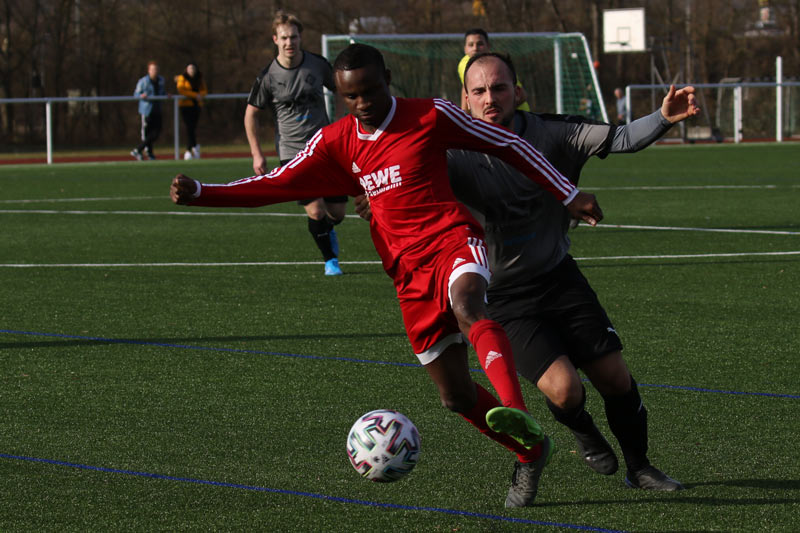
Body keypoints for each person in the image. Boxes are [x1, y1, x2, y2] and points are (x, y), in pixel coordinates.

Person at [171, 43, 605, 507]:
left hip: (453, 242)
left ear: (388, 79)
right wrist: (203, 192)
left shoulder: (430, 115)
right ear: (339, 95)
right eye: (350, 96)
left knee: (468, 304)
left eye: (370, 91)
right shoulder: (335, 141)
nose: (362, 103)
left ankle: (515, 410)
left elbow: (508, 143)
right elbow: (277, 182)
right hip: (407, 276)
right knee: (456, 397)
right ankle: (531, 450)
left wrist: (567, 193)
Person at [452, 53, 698, 491]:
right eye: (480, 91)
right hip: (504, 298)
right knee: (566, 391)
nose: (490, 98)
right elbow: (402, 178)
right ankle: (583, 430)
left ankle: (640, 468)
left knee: (615, 377)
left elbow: (622, 138)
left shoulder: (553, 132)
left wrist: (663, 117)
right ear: (465, 100)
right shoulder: (451, 153)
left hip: (558, 276)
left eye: (500, 88)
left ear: (518, 92)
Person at [245, 11, 345, 276]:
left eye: (294, 37)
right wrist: (257, 154)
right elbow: (250, 114)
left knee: (337, 212)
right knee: (315, 210)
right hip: (292, 151)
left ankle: (328, 229)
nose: (290, 42)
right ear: (275, 40)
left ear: (300, 38)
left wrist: (342, 123)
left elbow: (342, 90)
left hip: (325, 146)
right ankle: (330, 260)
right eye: (284, 38)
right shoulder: (268, 76)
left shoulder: (318, 65)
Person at [457, 29, 529, 112]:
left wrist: (497, 111)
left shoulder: (498, 64)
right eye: (470, 45)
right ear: (465, 49)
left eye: (480, 44)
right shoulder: (463, 64)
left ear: (488, 46)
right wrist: (464, 114)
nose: (475, 48)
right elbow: (465, 88)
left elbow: (522, 96)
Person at [131, 61, 166, 161]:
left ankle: (138, 150)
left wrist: (166, 95)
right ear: (149, 70)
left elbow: (162, 92)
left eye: (156, 69)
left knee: (156, 133)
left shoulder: (161, 80)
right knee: (148, 133)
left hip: (157, 109)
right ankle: (149, 153)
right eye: (153, 69)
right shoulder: (143, 81)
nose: (155, 71)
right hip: (147, 111)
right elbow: (136, 94)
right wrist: (141, 96)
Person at [175, 62, 207, 160]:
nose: (191, 70)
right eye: (190, 68)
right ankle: (191, 148)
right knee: (189, 127)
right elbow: (181, 90)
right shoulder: (182, 78)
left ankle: (192, 148)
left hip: (196, 106)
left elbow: (204, 90)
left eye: (193, 68)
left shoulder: (199, 78)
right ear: (186, 69)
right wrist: (195, 95)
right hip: (185, 106)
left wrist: (200, 95)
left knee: (193, 127)